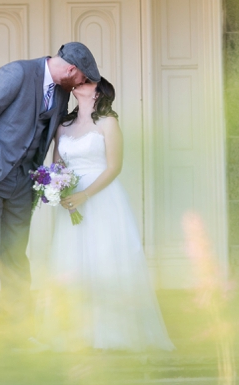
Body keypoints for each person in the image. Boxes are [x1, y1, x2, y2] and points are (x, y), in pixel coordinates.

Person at [0, 42, 100, 353]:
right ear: (71, 70)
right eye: (83, 79)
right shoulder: (16, 73)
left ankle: (18, 332)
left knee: (16, 258)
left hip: (23, 185)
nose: (82, 85)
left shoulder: (61, 92)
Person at [45, 76, 174, 352]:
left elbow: (114, 167)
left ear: (98, 91)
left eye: (86, 81)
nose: (78, 83)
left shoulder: (108, 123)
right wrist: (57, 189)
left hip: (102, 200)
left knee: (105, 260)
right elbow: (57, 165)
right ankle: (75, 332)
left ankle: (114, 332)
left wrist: (85, 194)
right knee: (73, 263)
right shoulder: (63, 126)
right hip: (71, 203)